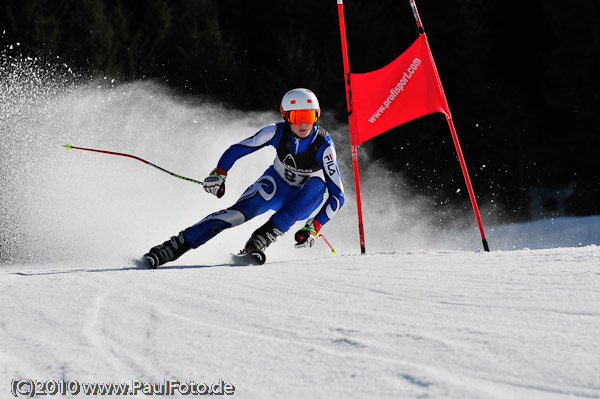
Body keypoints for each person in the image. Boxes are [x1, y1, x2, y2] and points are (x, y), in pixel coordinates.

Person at [143, 88, 345, 268]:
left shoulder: (324, 146)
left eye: (309, 116)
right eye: (297, 116)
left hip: (302, 200)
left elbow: (338, 195)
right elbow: (238, 149)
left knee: (318, 185)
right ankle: (174, 246)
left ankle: (260, 239)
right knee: (236, 215)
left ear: (317, 116)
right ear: (285, 116)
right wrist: (219, 173)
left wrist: (314, 227)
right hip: (274, 186)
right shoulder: (276, 131)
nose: (303, 123)